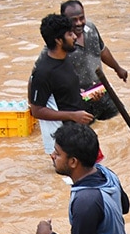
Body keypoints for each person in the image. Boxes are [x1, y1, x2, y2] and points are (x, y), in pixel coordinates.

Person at [28, 14, 93, 156]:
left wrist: (84, 94)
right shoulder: (43, 72)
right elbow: (36, 110)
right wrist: (73, 116)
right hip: (62, 143)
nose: (75, 37)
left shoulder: (65, 59)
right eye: (70, 34)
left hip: (78, 132)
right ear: (58, 40)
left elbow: (63, 90)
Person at [61, 0, 128, 123]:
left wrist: (118, 68)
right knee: (87, 136)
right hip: (79, 101)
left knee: (120, 122)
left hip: (101, 90)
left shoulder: (90, 28)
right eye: (74, 20)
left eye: (82, 18)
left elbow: (102, 50)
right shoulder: (60, 42)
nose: (79, 23)